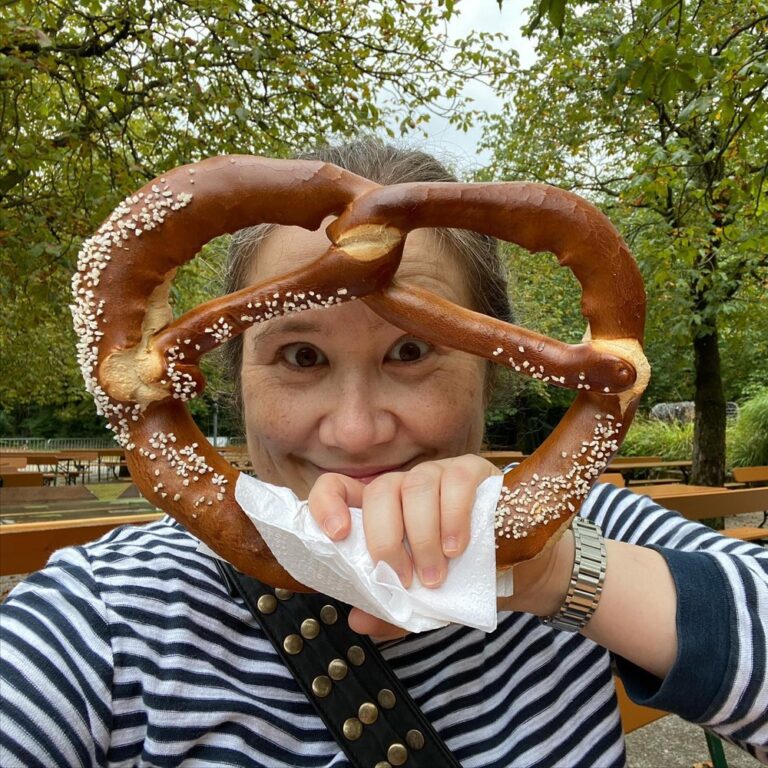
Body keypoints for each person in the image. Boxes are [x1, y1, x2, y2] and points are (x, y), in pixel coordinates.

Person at [1, 139, 766, 768]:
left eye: (410, 349)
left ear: (489, 369)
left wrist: (549, 573)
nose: (356, 432)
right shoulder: (104, 617)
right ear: (229, 378)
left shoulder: (591, 531)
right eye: (301, 357)